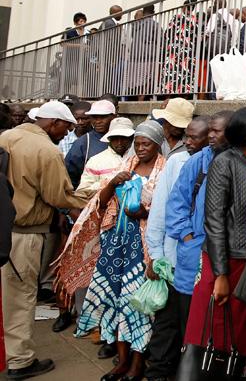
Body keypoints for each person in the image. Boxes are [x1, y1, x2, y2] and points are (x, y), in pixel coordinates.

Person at [184, 107, 246, 376]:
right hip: (226, 259)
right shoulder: (224, 163)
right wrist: (220, 274)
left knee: (243, 330)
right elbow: (214, 220)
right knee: (215, 327)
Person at [75, 120, 166, 381]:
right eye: (137, 143)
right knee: (115, 302)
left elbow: (165, 212)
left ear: (157, 144)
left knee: (137, 305)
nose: (140, 148)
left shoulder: (165, 171)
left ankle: (137, 365)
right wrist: (113, 182)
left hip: (142, 250)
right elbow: (100, 204)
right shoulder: (126, 167)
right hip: (116, 247)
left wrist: (143, 212)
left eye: (145, 143)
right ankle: (122, 361)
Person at [0, 101, 83, 379]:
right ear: (53, 123)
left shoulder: (6, 136)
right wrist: (97, 197)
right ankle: (20, 361)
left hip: (4, 228)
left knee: (6, 296)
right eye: (65, 128)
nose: (66, 134)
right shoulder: (47, 151)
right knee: (21, 298)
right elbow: (59, 196)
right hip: (22, 234)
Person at [51, 117, 135, 337]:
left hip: (129, 227)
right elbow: (83, 191)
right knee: (90, 271)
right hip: (98, 223)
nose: (119, 143)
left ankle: (115, 326)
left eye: (124, 138)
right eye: (115, 138)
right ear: (109, 139)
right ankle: (89, 320)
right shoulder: (96, 161)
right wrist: (108, 185)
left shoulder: (137, 159)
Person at [143, 116, 209, 380]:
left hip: (198, 266)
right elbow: (160, 211)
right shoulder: (177, 162)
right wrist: (156, 257)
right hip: (172, 261)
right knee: (167, 326)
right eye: (187, 137)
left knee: (189, 329)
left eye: (195, 138)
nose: (188, 143)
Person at [165, 111, 232, 341]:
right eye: (210, 130)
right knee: (191, 323)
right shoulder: (197, 162)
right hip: (194, 253)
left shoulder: (242, 162)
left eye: (217, 131)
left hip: (226, 256)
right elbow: (176, 203)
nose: (212, 136)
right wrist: (187, 236)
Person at [65, 100, 117, 188]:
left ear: (114, 117)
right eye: (94, 117)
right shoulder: (83, 143)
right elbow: (69, 177)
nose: (98, 121)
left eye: (103, 117)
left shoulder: (126, 139)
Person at [160, 0, 201, 96]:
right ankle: (183, 96)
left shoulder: (176, 17)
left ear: (183, 7)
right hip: (188, 51)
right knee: (186, 73)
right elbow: (197, 36)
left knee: (172, 72)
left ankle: (170, 95)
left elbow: (167, 34)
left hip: (174, 50)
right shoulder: (195, 21)